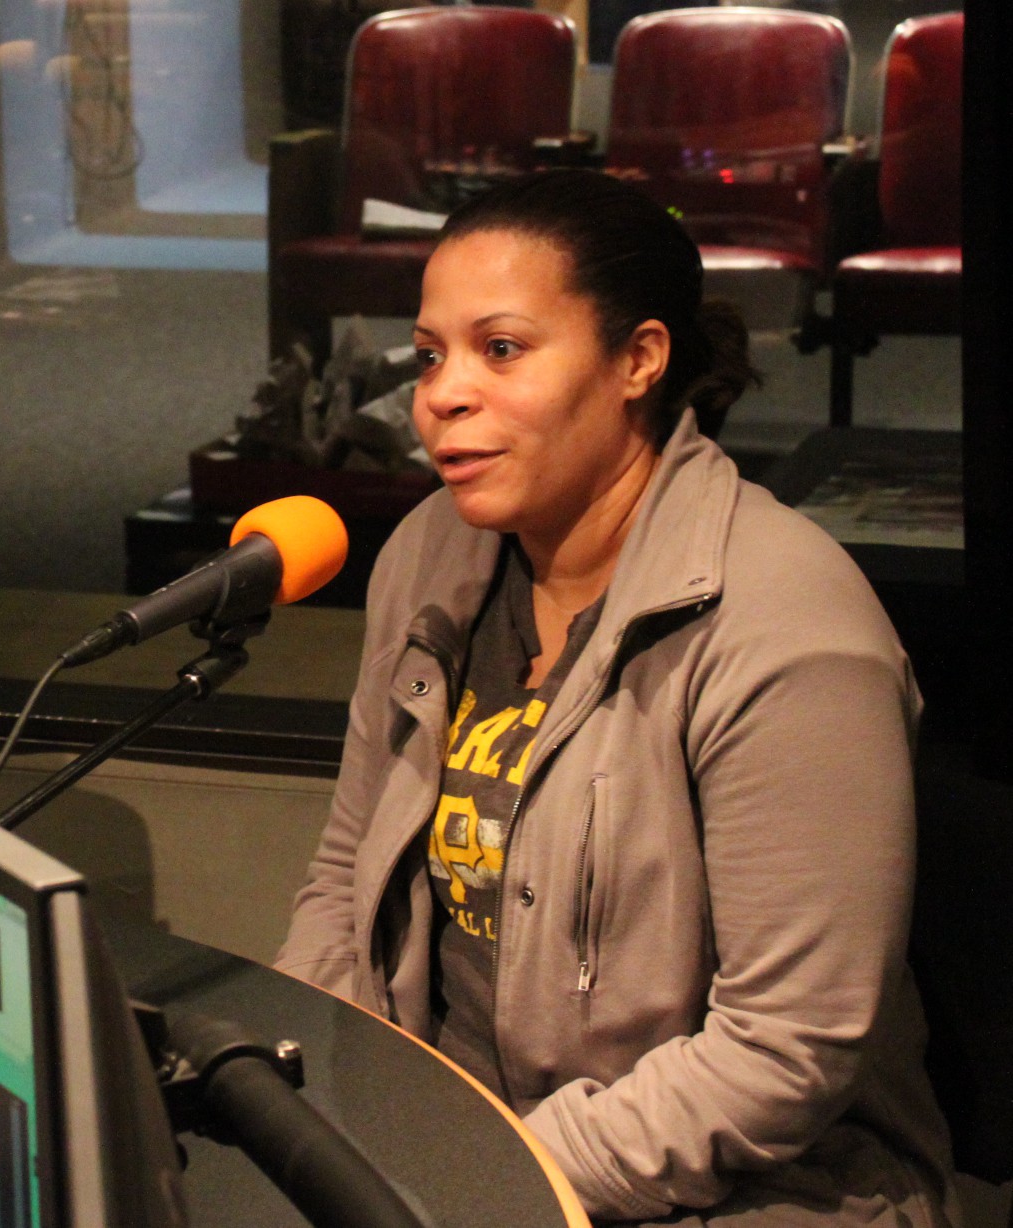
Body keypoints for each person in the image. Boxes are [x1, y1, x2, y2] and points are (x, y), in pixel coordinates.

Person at [276, 170, 959, 1226]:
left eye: (502, 349)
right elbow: (343, 879)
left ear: (637, 359)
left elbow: (784, 1054)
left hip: (758, 1187)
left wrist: (488, 1181)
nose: (442, 394)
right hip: (459, 1150)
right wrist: (304, 1107)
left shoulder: (787, 622)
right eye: (430, 355)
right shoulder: (429, 553)